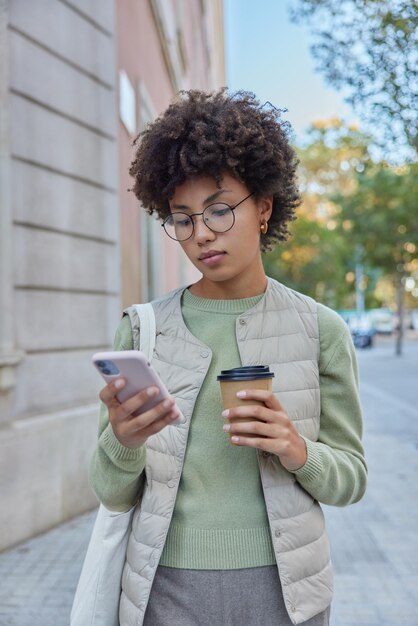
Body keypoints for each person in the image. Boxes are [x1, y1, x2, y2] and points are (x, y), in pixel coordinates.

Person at [89, 89, 367, 626]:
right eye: (182, 218)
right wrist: (123, 442)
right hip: (163, 592)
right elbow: (111, 493)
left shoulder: (320, 329)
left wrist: (296, 448)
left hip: (286, 596)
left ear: (264, 206)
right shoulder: (143, 330)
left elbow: (351, 479)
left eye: (220, 209)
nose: (202, 234)